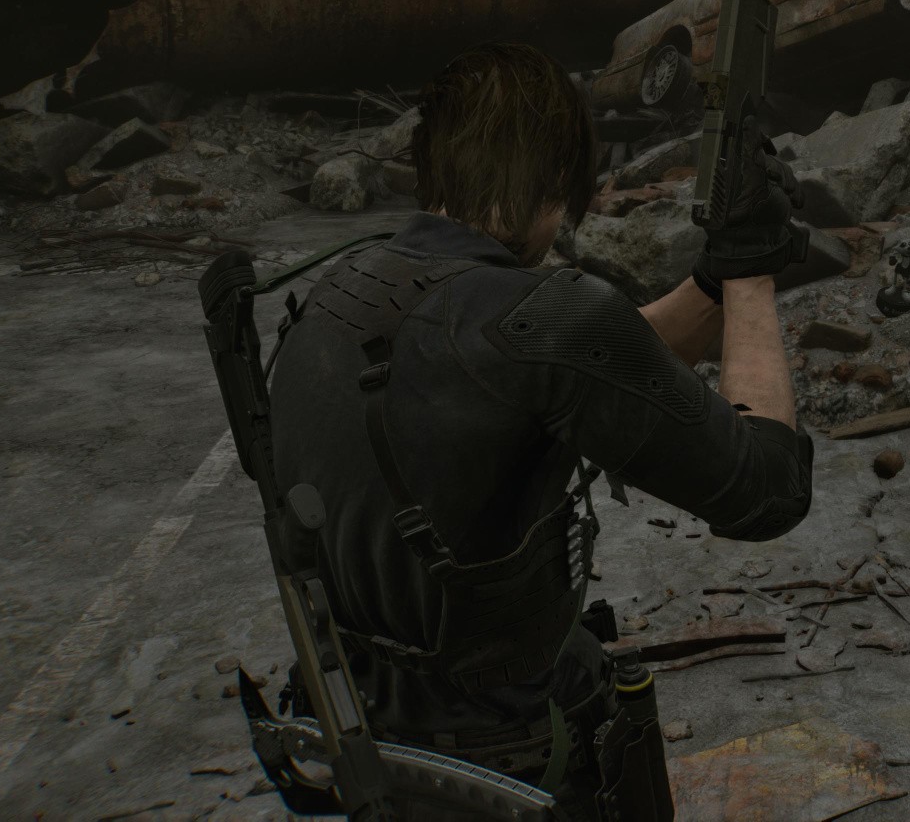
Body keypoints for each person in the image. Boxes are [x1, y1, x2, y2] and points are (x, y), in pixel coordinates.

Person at [267, 41, 812, 817]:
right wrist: (754, 273)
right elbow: (767, 492)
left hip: (362, 729)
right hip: (507, 763)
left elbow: (593, 368)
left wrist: (714, 276)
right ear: (557, 179)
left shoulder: (348, 284)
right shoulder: (540, 318)